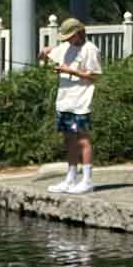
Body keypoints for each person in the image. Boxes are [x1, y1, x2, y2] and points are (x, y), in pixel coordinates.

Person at [40, 18, 101, 194]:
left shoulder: (90, 50)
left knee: (82, 140)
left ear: (78, 33)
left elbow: (95, 76)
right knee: (69, 140)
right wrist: (44, 53)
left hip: (81, 103)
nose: (66, 40)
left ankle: (87, 180)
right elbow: (49, 54)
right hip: (64, 101)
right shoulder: (66, 47)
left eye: (69, 36)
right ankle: (70, 178)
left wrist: (71, 71)